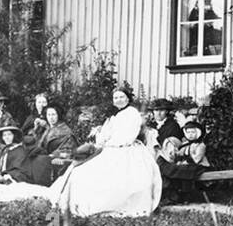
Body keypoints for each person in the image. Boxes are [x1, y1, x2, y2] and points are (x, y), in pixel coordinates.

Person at [47, 84, 162, 217]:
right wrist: (102, 138)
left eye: (121, 97)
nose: (118, 100)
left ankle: (111, 204)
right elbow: (108, 135)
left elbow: (128, 136)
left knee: (112, 178)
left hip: (125, 150)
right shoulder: (117, 115)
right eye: (116, 97)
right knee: (82, 170)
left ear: (128, 99)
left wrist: (108, 144)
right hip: (112, 148)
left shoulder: (132, 113)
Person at [158, 119, 211, 203]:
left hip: (200, 166)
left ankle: (185, 195)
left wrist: (186, 162)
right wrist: (176, 157)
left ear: (198, 133)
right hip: (188, 165)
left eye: (193, 132)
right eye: (188, 132)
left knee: (185, 170)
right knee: (179, 169)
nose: (190, 135)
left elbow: (197, 159)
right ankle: (176, 194)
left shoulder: (201, 145)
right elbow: (180, 154)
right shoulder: (185, 145)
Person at [29, 103, 75, 179]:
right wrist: (36, 129)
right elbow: (38, 144)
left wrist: (53, 155)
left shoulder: (65, 131)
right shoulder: (47, 129)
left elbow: (68, 150)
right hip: (44, 159)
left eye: (53, 114)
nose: (51, 117)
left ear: (58, 115)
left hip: (57, 162)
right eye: (49, 115)